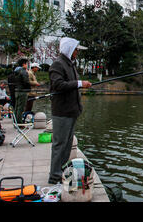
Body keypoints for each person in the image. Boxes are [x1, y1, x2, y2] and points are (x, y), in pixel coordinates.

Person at [48, 37, 92, 185]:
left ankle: (61, 172)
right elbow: (58, 85)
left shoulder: (70, 64)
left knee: (67, 145)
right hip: (62, 112)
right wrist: (80, 83)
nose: (77, 52)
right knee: (59, 144)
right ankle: (54, 176)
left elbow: (71, 85)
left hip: (72, 111)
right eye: (76, 50)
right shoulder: (57, 64)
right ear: (70, 50)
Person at [14, 58, 31, 124]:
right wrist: (28, 88)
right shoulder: (23, 71)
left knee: (17, 107)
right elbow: (26, 81)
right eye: (26, 64)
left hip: (17, 91)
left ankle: (15, 120)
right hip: (22, 91)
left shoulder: (16, 71)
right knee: (21, 107)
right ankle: (19, 122)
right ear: (24, 64)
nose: (27, 65)